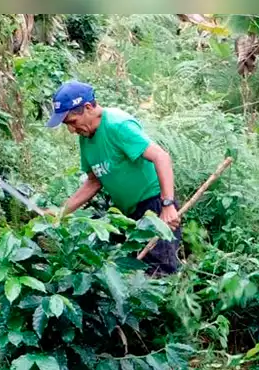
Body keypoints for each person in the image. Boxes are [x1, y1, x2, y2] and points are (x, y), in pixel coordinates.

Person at [46, 80, 182, 276]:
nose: (71, 130)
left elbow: (161, 157)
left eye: (72, 122)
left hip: (155, 206)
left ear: (88, 108)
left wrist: (168, 205)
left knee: (159, 275)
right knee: (132, 272)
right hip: (127, 213)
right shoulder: (87, 137)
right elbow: (94, 181)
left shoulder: (118, 126)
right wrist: (60, 213)